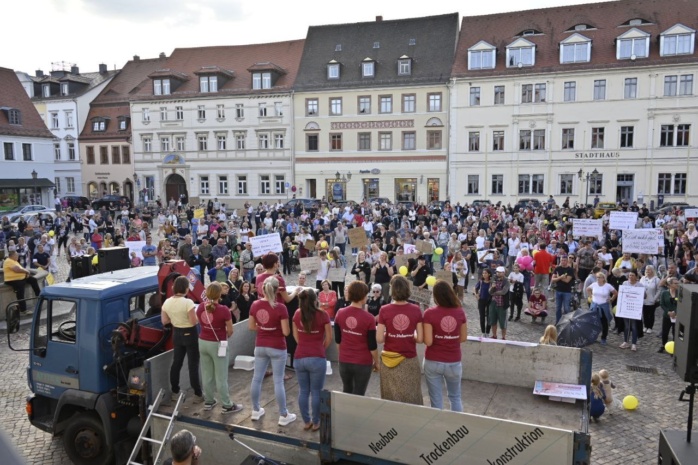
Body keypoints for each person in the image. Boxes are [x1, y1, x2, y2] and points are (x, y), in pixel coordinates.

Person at [249, 277, 296, 426]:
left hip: (261, 344)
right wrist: (273, 329)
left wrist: (264, 328)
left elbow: (251, 326)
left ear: (263, 289)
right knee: (278, 381)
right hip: (277, 346)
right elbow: (286, 332)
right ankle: (283, 414)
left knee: (257, 379)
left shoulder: (255, 305)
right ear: (277, 290)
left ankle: (256, 410)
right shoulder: (281, 308)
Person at [377, 275, 423, 405]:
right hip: (409, 359)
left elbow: (379, 338)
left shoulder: (384, 310)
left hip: (389, 360)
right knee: (411, 397)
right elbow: (420, 339)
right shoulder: (416, 309)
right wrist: (408, 336)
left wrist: (391, 334)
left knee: (391, 398)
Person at [196, 282, 242, 414]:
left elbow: (200, 323)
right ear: (219, 294)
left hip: (203, 341)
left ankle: (209, 401)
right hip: (217, 343)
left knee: (207, 374)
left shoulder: (200, 307)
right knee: (221, 376)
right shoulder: (223, 310)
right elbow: (230, 330)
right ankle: (227, 405)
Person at [423, 280, 467, 411]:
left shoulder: (429, 313)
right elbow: (463, 338)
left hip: (433, 360)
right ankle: (457, 426)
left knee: (436, 399)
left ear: (435, 296)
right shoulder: (460, 312)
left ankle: (438, 427)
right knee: (455, 397)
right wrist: (450, 338)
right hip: (453, 360)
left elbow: (429, 341)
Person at [292, 288, 332, 431]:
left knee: (303, 391)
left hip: (299, 356)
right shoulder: (322, 314)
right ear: (315, 300)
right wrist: (320, 348)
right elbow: (329, 337)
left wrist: (303, 345)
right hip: (317, 357)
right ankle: (316, 422)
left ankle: (306, 421)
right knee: (316, 391)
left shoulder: (297, 314)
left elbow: (295, 335)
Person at [161, 276, 203, 403]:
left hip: (176, 333)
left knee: (176, 363)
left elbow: (164, 321)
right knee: (193, 365)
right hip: (190, 333)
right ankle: (197, 393)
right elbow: (193, 321)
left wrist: (175, 319)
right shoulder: (188, 302)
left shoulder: (167, 302)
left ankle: (175, 391)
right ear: (186, 288)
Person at [334, 280, 379, 396]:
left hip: (344, 360)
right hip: (362, 362)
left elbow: (338, 340)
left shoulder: (340, 312)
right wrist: (377, 361)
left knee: (347, 390)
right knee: (359, 394)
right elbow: (372, 345)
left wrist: (342, 355)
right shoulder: (369, 318)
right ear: (362, 296)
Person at [586, 272, 617, 345]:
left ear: (603, 278)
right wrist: (591, 296)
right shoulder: (594, 284)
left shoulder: (608, 286)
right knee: (593, 322)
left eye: (599, 277)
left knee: (604, 323)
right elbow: (588, 289)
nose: (598, 279)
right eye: (597, 277)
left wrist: (611, 299)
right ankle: (593, 336)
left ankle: (603, 338)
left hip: (603, 306)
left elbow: (615, 293)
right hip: (594, 305)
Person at [620, 271, 645, 351]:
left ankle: (634, 343)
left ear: (636, 276)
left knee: (634, 326)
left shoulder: (640, 285)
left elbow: (644, 296)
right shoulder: (625, 283)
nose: (630, 277)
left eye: (632, 275)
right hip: (626, 307)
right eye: (629, 275)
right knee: (626, 326)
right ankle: (625, 341)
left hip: (635, 308)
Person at [658, 277, 679, 353]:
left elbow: (681, 304)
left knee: (675, 332)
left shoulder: (680, 293)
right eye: (675, 283)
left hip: (677, 316)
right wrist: (668, 312)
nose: (677, 284)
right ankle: (663, 345)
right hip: (667, 316)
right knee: (665, 332)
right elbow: (662, 304)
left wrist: (675, 312)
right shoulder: (664, 293)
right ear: (670, 284)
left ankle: (674, 348)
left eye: (678, 283)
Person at [552, 255, 574, 323]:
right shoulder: (557, 269)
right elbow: (553, 279)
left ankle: (567, 322)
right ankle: (558, 322)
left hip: (567, 291)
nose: (563, 262)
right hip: (558, 290)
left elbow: (567, 281)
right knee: (558, 308)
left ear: (567, 261)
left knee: (566, 308)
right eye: (561, 260)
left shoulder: (570, 270)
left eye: (564, 260)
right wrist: (561, 277)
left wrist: (559, 278)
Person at [489, 266, 509, 340]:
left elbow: (503, 292)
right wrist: (492, 288)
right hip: (493, 302)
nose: (498, 274)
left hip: (502, 303)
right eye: (497, 272)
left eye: (500, 272)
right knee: (493, 320)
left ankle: (503, 337)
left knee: (503, 322)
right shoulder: (494, 279)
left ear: (503, 273)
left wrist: (494, 293)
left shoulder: (506, 281)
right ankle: (494, 335)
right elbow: (490, 291)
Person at [640, 265, 661, 334]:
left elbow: (659, 290)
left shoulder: (656, 279)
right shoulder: (643, 278)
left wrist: (655, 298)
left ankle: (650, 327)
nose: (647, 271)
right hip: (643, 299)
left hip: (652, 300)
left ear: (652, 271)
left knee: (651, 314)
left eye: (649, 270)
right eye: (646, 269)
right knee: (644, 314)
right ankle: (645, 326)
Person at [473, 268, 492, 337]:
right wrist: (476, 294)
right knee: (482, 317)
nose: (484, 274)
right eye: (483, 273)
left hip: (489, 301)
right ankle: (483, 332)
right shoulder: (481, 281)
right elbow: (475, 288)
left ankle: (488, 332)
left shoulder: (491, 282)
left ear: (489, 274)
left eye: (485, 273)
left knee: (489, 317)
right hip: (481, 300)